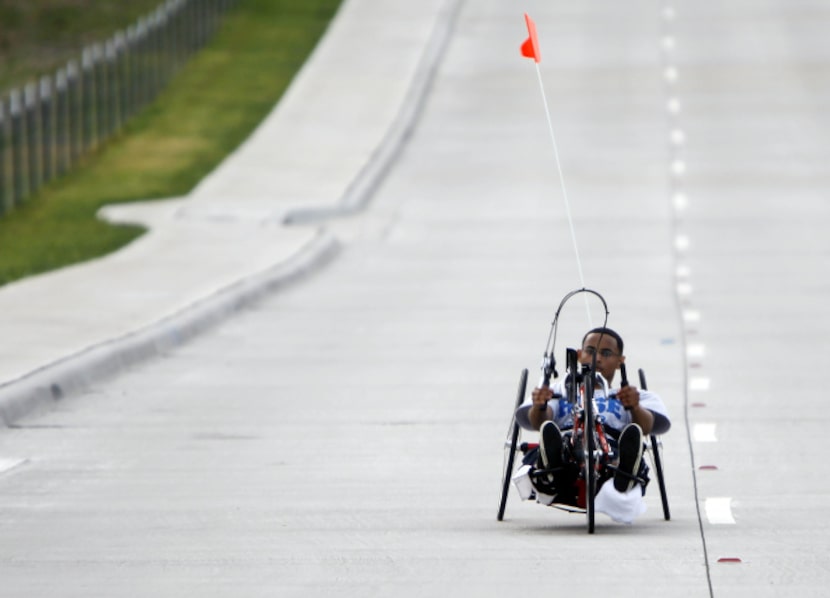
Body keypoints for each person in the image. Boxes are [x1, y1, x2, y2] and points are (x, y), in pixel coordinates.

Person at [511, 326, 671, 523]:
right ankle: (550, 470)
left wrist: (635, 407)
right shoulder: (558, 390)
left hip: (611, 450)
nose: (598, 359)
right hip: (566, 446)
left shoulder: (631, 395)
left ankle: (625, 476)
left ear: (621, 361)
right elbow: (538, 421)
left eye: (606, 353)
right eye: (590, 351)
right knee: (552, 438)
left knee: (629, 439)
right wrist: (540, 405)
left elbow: (648, 427)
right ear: (579, 355)